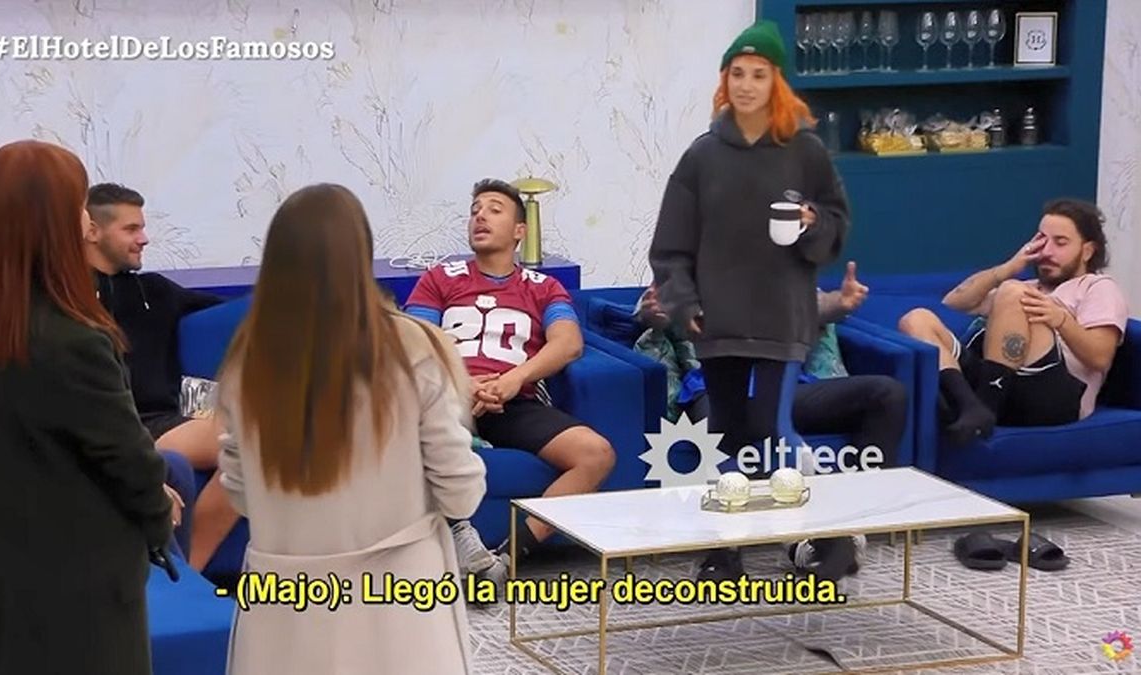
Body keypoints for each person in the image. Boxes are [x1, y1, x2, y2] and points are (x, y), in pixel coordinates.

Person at [216, 183, 485, 674]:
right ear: (361, 254)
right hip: (400, 602)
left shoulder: (245, 361)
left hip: (283, 608)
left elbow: (239, 493)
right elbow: (460, 493)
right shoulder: (415, 349)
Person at [0, 140, 175, 674]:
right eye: (79, 206)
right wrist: (159, 516)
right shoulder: (73, 337)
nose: (88, 223)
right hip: (81, 586)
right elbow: (128, 459)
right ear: (54, 221)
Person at [649, 20, 849, 582]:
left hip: (782, 318)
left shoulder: (806, 152)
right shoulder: (702, 156)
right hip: (718, 320)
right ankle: (726, 549)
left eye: (758, 75)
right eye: (737, 73)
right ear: (725, 81)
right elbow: (670, 245)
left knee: (775, 431)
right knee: (729, 437)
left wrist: (812, 223)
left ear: (775, 82)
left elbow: (836, 223)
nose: (746, 85)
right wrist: (684, 302)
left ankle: (831, 538)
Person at [404, 178, 616, 585]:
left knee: (596, 454)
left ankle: (505, 559)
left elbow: (568, 343)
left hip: (513, 400)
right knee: (401, 424)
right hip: (445, 395)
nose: (480, 216)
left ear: (520, 230)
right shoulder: (440, 278)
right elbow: (414, 343)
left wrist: (514, 379)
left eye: (494, 209)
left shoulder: (543, 287)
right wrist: (459, 383)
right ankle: (461, 534)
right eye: (475, 211)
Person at [635, 261, 904, 580]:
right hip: (713, 388)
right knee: (730, 425)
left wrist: (840, 302)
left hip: (785, 387)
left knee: (887, 394)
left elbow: (814, 306)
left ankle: (850, 524)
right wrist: (655, 314)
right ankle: (728, 550)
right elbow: (651, 310)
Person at [85, 183, 232, 570]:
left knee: (267, 433)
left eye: (142, 227)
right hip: (125, 424)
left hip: (172, 414)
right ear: (93, 231)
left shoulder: (155, 291)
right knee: (247, 441)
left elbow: (241, 314)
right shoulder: (69, 299)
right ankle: (188, 573)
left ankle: (189, 568)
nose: (144, 239)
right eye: (131, 229)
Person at [899, 198, 1129, 445]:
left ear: (1088, 251)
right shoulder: (1027, 287)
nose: (1046, 251)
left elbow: (1100, 357)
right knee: (916, 319)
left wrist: (1060, 320)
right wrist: (1009, 267)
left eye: (1060, 242)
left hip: (1054, 398)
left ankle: (985, 404)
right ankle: (969, 406)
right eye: (1042, 240)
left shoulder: (1097, 287)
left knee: (1014, 292)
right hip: (1006, 388)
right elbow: (954, 303)